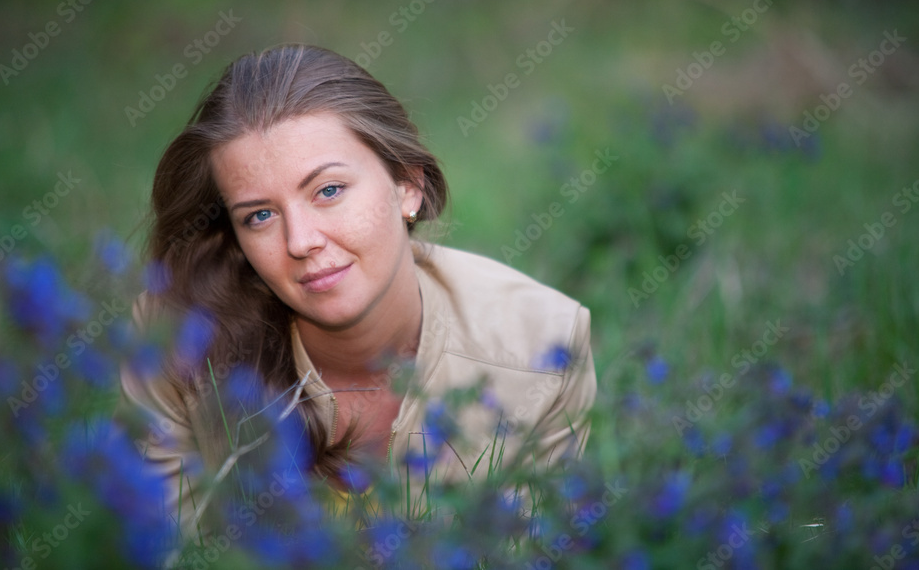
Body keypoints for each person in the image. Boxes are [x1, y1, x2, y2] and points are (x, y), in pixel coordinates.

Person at [119, 44, 596, 540]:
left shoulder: (544, 341)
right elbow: (159, 548)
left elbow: (538, 550)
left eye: (328, 190)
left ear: (407, 186)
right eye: (259, 215)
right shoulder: (175, 339)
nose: (300, 241)